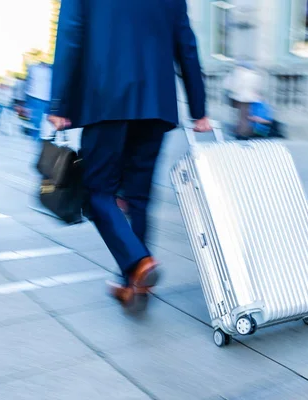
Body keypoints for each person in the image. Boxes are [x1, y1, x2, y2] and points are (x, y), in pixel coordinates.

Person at [48, 0, 210, 309]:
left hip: (105, 99)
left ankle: (138, 263)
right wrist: (199, 108)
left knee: (96, 193)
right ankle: (134, 285)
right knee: (138, 197)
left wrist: (59, 103)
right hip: (156, 104)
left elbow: (70, 36)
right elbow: (186, 45)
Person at [224, 61, 262, 139]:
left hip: (239, 97)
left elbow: (229, 85)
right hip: (250, 97)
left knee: (239, 115)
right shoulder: (254, 74)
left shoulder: (237, 73)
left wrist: (233, 92)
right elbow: (257, 87)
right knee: (245, 115)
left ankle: (241, 131)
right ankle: (244, 130)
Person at [24, 61, 52, 139]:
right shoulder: (49, 70)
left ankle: (37, 136)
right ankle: (37, 137)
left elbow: (28, 83)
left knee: (38, 120)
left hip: (39, 97)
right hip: (39, 98)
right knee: (39, 121)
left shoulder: (33, 68)